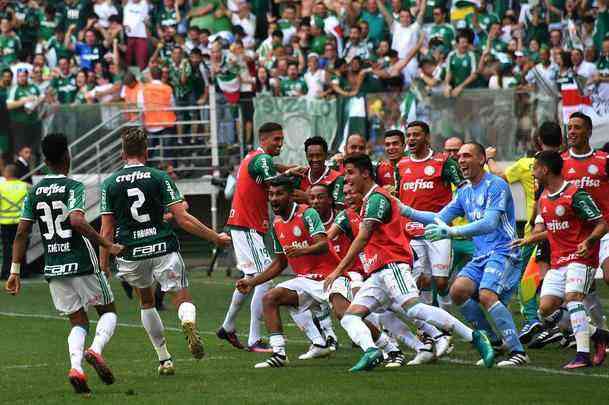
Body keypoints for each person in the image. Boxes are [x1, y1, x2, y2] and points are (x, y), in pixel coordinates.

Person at [323, 153, 494, 372]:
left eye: (350, 173)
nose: (346, 180)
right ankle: (372, 351)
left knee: (414, 309)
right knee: (350, 317)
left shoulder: (377, 198)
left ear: (365, 174)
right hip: (377, 273)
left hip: (392, 266)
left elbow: (363, 237)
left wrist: (337, 271)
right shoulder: (368, 201)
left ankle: (474, 336)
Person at [99, 127, 230, 375]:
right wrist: (215, 237)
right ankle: (187, 320)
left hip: (131, 253)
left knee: (147, 302)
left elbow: (106, 231)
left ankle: (164, 359)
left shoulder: (110, 183)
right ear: (146, 152)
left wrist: (103, 266)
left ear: (122, 154)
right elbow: (182, 218)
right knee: (181, 296)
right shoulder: (159, 176)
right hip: (162, 247)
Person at [4, 133, 124, 395]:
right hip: (81, 261)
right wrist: (107, 245)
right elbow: (78, 221)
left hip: (54, 265)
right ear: (67, 155)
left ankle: (76, 368)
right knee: (108, 310)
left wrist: (15, 271)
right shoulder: (74, 186)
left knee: (78, 321)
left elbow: (22, 233)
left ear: (45, 161)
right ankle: (96, 350)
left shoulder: (35, 191)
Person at [400, 142, 529, 367]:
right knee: (458, 292)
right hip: (481, 254)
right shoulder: (464, 191)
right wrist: (405, 210)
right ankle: (494, 341)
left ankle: (518, 351)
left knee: (487, 295)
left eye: (466, 156)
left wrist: (452, 231)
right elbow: (439, 217)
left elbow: (489, 223)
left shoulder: (496, 185)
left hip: (504, 250)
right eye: (459, 157)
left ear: (481, 160)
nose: (460, 160)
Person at [523, 151, 609, 369]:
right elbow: (552, 231)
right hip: (558, 261)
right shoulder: (543, 197)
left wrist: (588, 242)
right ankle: (599, 334)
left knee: (573, 298)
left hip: (582, 258)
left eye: (535, 168)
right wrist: (530, 239)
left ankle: (582, 355)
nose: (533, 172)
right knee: (546, 308)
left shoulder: (576, 194)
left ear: (545, 169)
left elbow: (602, 224)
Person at [217, 122, 287, 352]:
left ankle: (228, 326)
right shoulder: (263, 159)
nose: (280, 143)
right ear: (264, 139)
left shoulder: (254, 157)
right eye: (276, 139)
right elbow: (275, 185)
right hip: (247, 226)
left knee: (252, 278)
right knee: (265, 278)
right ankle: (254, 339)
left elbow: (271, 170)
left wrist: (288, 169)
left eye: (281, 139)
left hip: (243, 225)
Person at [397, 121, 464, 310]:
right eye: (408, 135)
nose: (411, 139)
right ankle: (431, 330)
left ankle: (446, 316)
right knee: (421, 280)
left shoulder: (444, 162)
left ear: (427, 137)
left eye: (416, 135)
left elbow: (464, 189)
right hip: (412, 232)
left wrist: (452, 212)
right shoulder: (401, 165)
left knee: (441, 282)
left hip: (438, 231)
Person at [561, 112, 609, 331]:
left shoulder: (603, 160)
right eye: (569, 127)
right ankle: (601, 330)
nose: (572, 132)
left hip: (604, 229)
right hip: (576, 236)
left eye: (577, 127)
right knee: (584, 289)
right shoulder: (560, 162)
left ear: (589, 132)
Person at [0, 164, 28, 279]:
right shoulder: (25, 186)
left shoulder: (1, 187)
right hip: (21, 222)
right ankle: (23, 272)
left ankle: (7, 272)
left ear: (7, 173)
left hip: (5, 222)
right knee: (22, 247)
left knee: (7, 249)